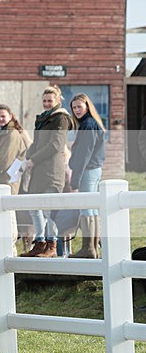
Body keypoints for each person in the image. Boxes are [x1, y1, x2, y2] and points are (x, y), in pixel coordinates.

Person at [20, 85, 73, 258]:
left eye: (50, 100)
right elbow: (36, 144)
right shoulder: (42, 118)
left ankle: (52, 243)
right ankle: (40, 242)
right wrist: (26, 158)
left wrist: (33, 160)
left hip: (52, 169)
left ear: (57, 100)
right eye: (44, 101)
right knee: (34, 207)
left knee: (50, 210)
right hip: (38, 170)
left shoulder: (61, 118)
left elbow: (56, 145)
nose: (47, 104)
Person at [68, 93, 106, 259]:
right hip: (93, 170)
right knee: (91, 207)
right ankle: (92, 249)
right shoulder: (89, 123)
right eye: (74, 108)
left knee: (86, 208)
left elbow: (84, 154)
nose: (76, 110)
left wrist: (75, 179)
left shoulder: (88, 124)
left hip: (88, 171)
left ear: (87, 106)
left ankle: (88, 248)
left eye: (79, 106)